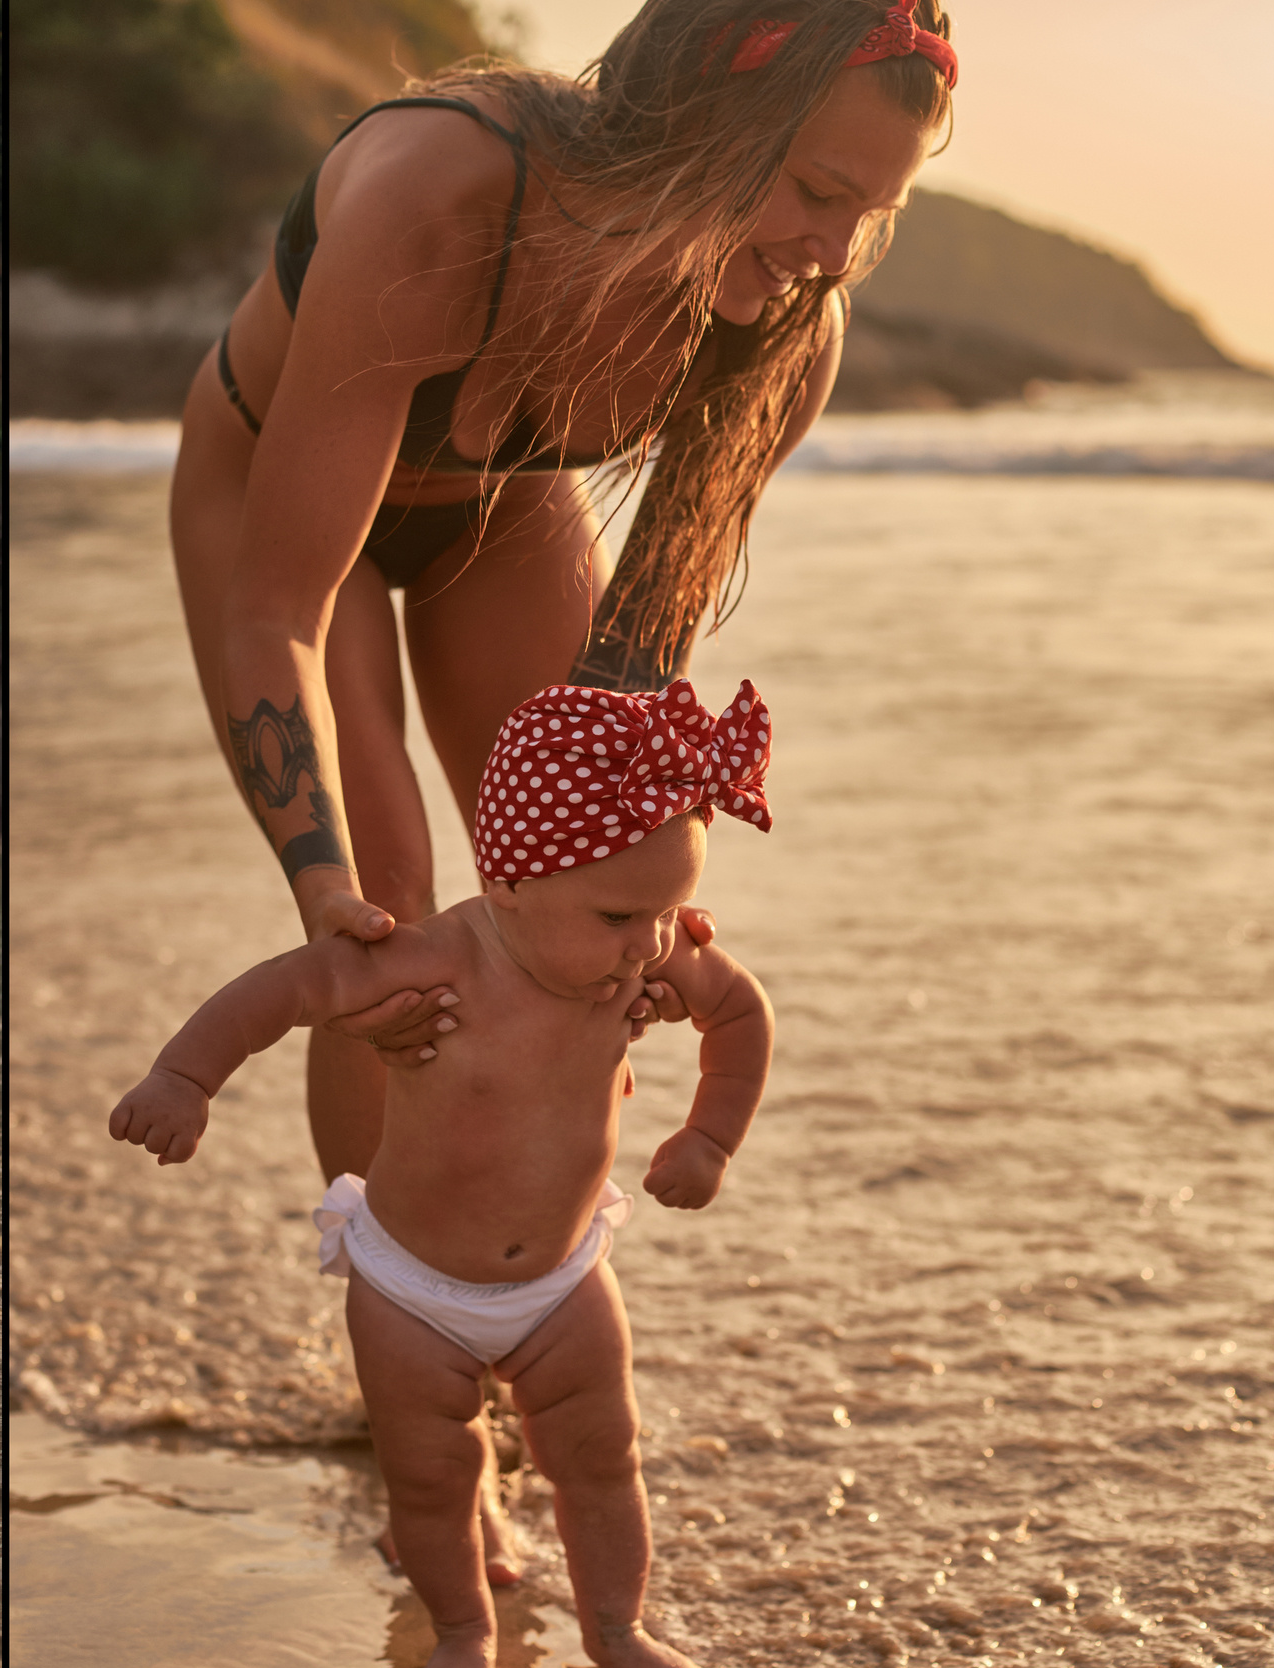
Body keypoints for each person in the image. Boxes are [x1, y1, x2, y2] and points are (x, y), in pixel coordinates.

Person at [168, 0, 953, 1183]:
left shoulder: (785, 338)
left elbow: (631, 680)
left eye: (873, 216)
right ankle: (386, 1315)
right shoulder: (442, 194)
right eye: (816, 191)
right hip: (262, 483)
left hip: (500, 507)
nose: (834, 252)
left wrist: (636, 896)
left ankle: (525, 1298)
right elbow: (276, 610)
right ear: (707, 122)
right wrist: (319, 888)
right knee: (391, 904)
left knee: (590, 912)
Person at [111, 679, 778, 1668]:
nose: (648, 945)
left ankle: (617, 1628)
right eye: (616, 916)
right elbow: (286, 988)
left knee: (603, 1461)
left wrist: (708, 1138)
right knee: (430, 1479)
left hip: (562, 1284)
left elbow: (740, 1014)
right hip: (410, 1293)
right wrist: (181, 1079)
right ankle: (461, 1636)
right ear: (510, 884)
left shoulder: (638, 963)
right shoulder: (428, 966)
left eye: (666, 910)